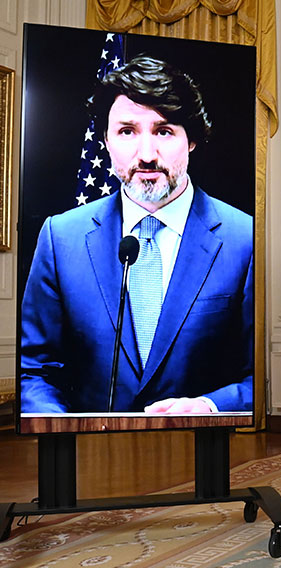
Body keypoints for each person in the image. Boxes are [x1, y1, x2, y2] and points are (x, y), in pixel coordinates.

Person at [20, 56, 254, 414]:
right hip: (90, 459)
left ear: (191, 140)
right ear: (106, 141)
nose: (146, 155)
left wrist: (209, 406)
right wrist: (65, 431)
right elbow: (33, 372)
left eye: (164, 131)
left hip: (209, 456)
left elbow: (261, 376)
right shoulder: (59, 238)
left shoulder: (245, 239)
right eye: (127, 131)